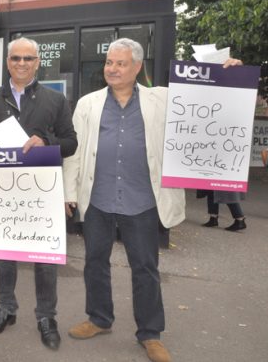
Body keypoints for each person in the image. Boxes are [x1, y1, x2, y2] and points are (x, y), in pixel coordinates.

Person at [62, 38, 242, 362]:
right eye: (108, 63)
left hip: (142, 201)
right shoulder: (87, 104)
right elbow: (75, 153)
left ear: (137, 67)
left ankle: (150, 334)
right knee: (94, 263)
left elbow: (206, 102)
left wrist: (226, 74)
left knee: (145, 268)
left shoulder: (162, 99)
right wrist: (68, 193)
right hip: (98, 199)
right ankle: (99, 319)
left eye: (120, 63)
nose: (112, 69)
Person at [0, 37, 77, 350]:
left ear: (37, 62)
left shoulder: (55, 101)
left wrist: (47, 141)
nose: (21, 64)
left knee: (44, 258)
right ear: (7, 62)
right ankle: (6, 308)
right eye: (16, 58)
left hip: (42, 194)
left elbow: (71, 143)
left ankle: (46, 316)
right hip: (2, 192)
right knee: (4, 254)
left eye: (28, 58)